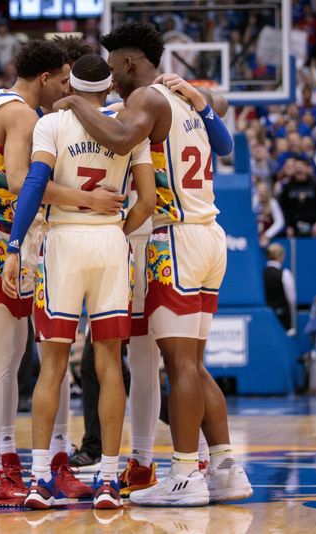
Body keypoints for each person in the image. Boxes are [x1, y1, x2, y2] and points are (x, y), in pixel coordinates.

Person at [53, 21, 252, 506]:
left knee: (179, 363)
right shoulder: (184, 97)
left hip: (175, 237)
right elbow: (221, 107)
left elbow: (121, 140)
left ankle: (184, 474)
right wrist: (202, 95)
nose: (110, 80)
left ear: (126, 62)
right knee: (195, 364)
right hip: (209, 234)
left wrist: (76, 102)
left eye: (113, 68)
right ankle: (225, 465)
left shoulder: (146, 98)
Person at [0, 39, 124, 508]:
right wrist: (86, 199)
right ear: (46, 78)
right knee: (0, 360)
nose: (67, 91)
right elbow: (22, 182)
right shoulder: (23, 114)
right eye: (63, 81)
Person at [2, 53, 156, 510]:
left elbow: (32, 186)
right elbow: (145, 202)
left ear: (72, 86)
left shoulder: (51, 123)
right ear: (108, 89)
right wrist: (116, 233)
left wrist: (14, 247)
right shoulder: (129, 125)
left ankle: (38, 480)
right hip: (110, 245)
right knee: (109, 361)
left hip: (63, 242)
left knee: (52, 364)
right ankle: (109, 479)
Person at [279, 158, 316, 237]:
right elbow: (284, 208)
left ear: (307, 169)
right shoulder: (287, 187)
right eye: (296, 167)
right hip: (293, 228)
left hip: (313, 227)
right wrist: (288, 225)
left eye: (301, 166)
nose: (299, 169)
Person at [264, 243, 296, 332]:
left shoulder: (262, 273)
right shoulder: (285, 273)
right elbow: (292, 298)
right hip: (282, 317)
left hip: (266, 315)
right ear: (281, 256)